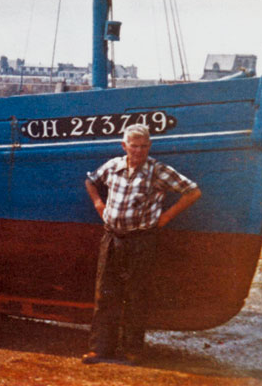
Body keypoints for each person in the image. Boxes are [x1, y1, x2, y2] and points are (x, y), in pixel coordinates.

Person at [82, 123, 202, 365]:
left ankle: (132, 352)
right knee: (105, 294)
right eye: (134, 146)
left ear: (150, 146)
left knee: (136, 295)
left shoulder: (157, 171)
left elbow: (192, 191)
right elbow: (91, 181)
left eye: (144, 146)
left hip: (142, 240)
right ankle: (100, 350)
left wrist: (166, 217)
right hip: (112, 238)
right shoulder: (113, 166)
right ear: (124, 146)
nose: (138, 151)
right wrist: (98, 204)